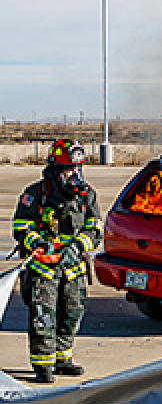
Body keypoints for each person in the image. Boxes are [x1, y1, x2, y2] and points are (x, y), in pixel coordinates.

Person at [12, 138, 102, 383]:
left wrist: (77, 247)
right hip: (44, 271)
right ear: (55, 169)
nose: (74, 173)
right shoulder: (35, 195)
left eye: (77, 168)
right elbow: (21, 227)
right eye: (68, 168)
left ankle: (63, 359)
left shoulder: (87, 195)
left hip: (73, 269)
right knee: (43, 318)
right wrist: (38, 243)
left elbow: (95, 229)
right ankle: (43, 365)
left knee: (72, 315)